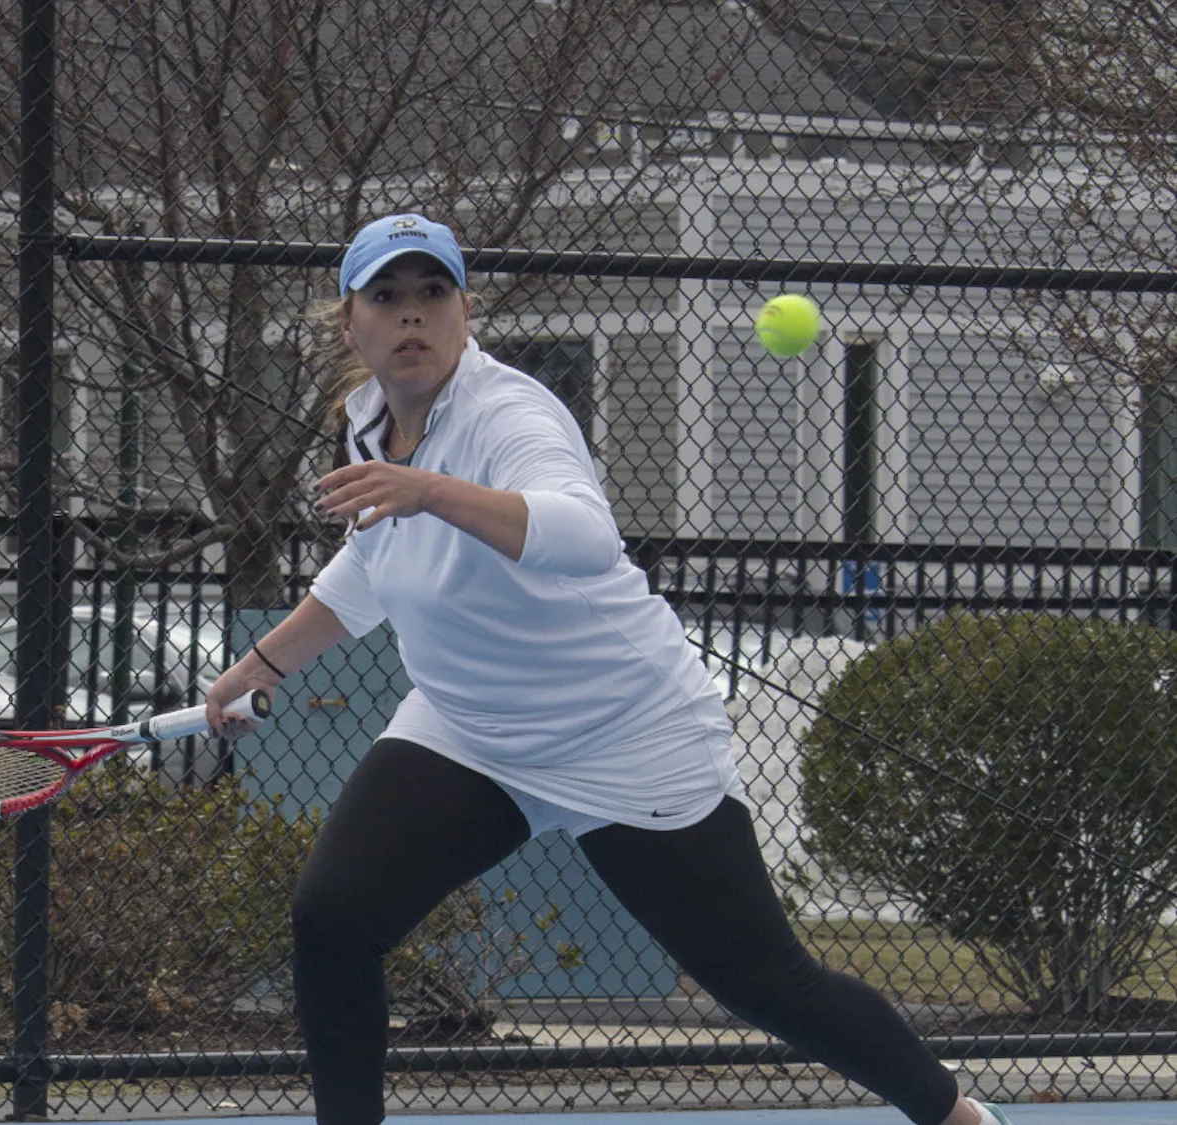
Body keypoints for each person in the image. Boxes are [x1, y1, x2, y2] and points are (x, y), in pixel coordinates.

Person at [204, 213, 1014, 1125]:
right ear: (350, 321)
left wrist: (428, 488)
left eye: (433, 294)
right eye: (386, 297)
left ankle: (956, 1117)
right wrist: (264, 662)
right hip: (472, 731)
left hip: (627, 735)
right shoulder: (366, 423)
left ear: (466, 311)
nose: (412, 316)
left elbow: (584, 536)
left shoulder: (513, 414)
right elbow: (372, 565)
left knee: (763, 981)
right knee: (335, 917)